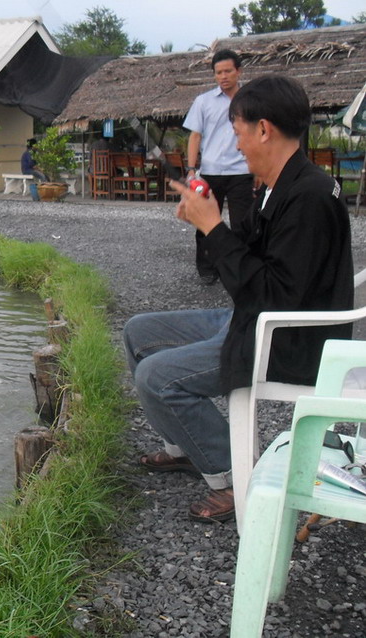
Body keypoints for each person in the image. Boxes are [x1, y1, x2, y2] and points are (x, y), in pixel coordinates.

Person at [123, 75, 353, 523]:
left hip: (288, 340)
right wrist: (209, 218)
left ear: (263, 129)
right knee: (138, 333)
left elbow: (273, 296)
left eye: (237, 131)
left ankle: (231, 476)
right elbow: (246, 264)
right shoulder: (273, 185)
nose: (236, 144)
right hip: (254, 317)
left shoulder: (308, 197)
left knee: (156, 376)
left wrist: (213, 228)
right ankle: (188, 447)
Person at [183, 49, 255, 285]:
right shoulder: (203, 101)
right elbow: (195, 136)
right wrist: (191, 170)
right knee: (204, 222)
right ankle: (207, 269)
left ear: (238, 71)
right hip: (211, 172)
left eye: (228, 71)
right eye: (218, 72)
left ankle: (240, 269)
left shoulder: (251, 100)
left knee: (242, 225)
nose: (223, 76)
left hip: (241, 172)